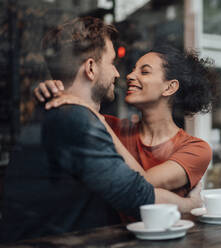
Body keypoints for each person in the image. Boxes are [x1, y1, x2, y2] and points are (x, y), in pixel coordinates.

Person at [0, 17, 201, 244]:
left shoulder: (64, 114)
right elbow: (140, 198)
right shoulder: (74, 120)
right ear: (91, 68)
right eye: (112, 62)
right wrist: (191, 204)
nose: (119, 74)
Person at [34, 44, 217, 199]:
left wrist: (95, 117)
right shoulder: (110, 127)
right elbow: (73, 108)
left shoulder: (196, 149)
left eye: (144, 72)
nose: (129, 76)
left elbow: (142, 184)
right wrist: (51, 91)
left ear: (170, 87)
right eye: (133, 69)